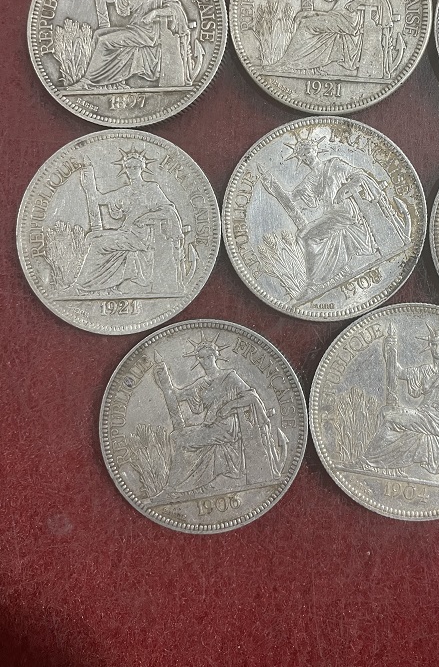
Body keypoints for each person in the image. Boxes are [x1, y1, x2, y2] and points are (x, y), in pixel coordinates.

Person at [258, 131, 391, 301]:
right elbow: (292, 197)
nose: (306, 157)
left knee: (306, 236)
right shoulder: (311, 179)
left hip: (345, 212)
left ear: (315, 150)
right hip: (332, 215)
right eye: (302, 155)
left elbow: (358, 175)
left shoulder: (335, 164)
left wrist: (344, 189)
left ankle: (312, 285)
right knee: (304, 235)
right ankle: (319, 280)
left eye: (307, 151)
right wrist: (273, 187)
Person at [153, 335, 282, 496]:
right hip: (210, 426)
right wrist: (164, 381)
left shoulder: (230, 377)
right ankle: (186, 486)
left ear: (216, 356)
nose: (205, 361)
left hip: (228, 428)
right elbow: (177, 395)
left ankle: (174, 488)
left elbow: (252, 397)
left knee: (179, 439)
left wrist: (229, 406)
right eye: (201, 358)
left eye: (208, 356)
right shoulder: (201, 384)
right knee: (175, 437)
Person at [363, 325, 439, 481]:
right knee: (385, 412)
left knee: (390, 418)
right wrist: (390, 349)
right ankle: (383, 465)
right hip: (423, 414)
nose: (436, 350)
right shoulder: (425, 370)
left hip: (437, 420)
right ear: (430, 346)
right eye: (434, 345)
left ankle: (368, 461)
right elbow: (399, 372)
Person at [75, 0, 191, 88]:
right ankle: (108, 82)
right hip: (134, 30)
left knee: (104, 41)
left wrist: (155, 12)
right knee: (99, 34)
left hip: (148, 34)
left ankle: (87, 81)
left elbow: (175, 8)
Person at [74, 149, 187, 295]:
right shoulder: (125, 191)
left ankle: (85, 286)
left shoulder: (151, 188)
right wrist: (88, 183)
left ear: (142, 168)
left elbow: (168, 211)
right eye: (129, 167)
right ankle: (101, 285)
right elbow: (99, 199)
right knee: (92, 237)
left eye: (135, 167)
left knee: (98, 244)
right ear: (125, 169)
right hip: (126, 233)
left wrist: (145, 218)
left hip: (142, 237)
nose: (132, 170)